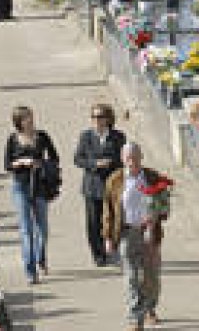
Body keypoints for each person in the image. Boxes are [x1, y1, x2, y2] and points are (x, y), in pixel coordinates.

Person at [103, 143, 171, 331]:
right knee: (132, 277)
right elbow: (107, 211)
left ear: (141, 157)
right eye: (127, 158)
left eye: (135, 157)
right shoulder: (114, 180)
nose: (131, 162)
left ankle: (150, 308)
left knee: (151, 278)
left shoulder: (152, 177)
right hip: (126, 233)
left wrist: (156, 214)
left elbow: (165, 207)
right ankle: (135, 318)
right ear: (122, 159)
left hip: (149, 233)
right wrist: (108, 238)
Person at [4, 106, 59, 284]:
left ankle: (40, 256)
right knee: (26, 230)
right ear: (19, 121)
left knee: (42, 228)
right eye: (26, 118)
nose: (30, 120)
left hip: (40, 186)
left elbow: (54, 157)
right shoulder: (13, 139)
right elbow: (7, 164)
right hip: (21, 186)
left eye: (31, 117)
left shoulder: (42, 136)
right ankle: (30, 270)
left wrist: (40, 163)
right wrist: (21, 162)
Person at [73, 103, 126, 267]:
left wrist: (111, 163)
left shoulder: (118, 137)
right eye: (94, 117)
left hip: (112, 185)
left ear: (108, 118)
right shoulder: (86, 136)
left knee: (115, 219)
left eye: (100, 116)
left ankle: (114, 249)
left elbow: (124, 159)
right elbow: (78, 159)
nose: (97, 120)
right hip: (92, 185)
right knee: (93, 222)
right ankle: (98, 253)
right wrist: (95, 164)